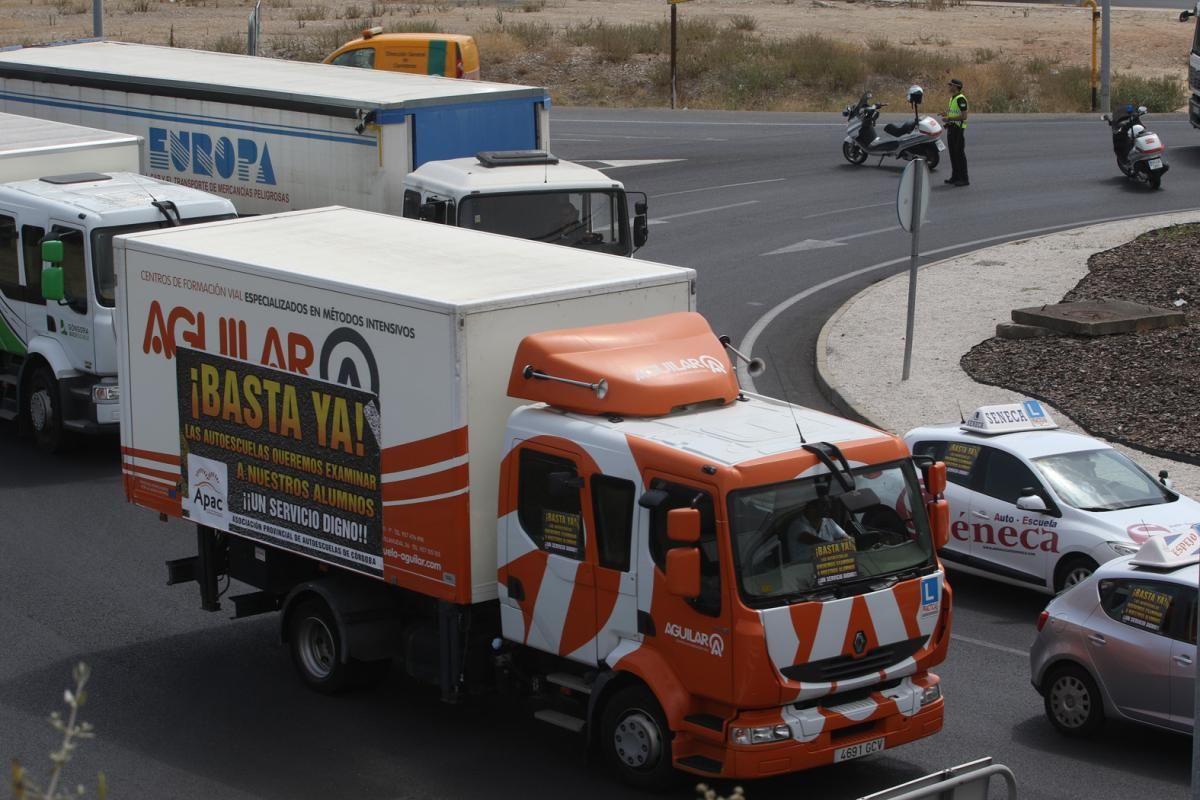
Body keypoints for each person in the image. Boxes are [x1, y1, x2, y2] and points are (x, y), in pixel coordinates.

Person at [940, 78, 969, 187]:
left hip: (958, 128)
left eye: (951, 85)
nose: (949, 87)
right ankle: (955, 176)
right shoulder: (953, 98)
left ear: (956, 87)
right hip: (952, 128)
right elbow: (953, 111)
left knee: (959, 154)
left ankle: (964, 178)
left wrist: (949, 119)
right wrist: (946, 113)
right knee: (953, 153)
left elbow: (964, 116)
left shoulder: (961, 99)